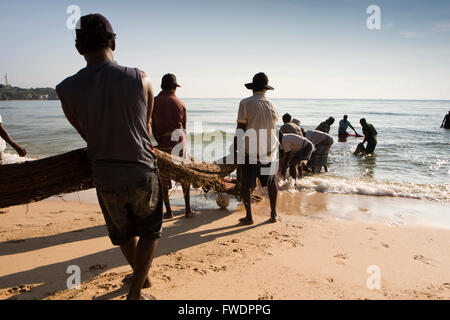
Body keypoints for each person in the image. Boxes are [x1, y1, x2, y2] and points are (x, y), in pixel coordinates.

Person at [56, 14, 163, 300]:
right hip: (142, 171)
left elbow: (86, 133)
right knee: (150, 231)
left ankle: (143, 279)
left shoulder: (64, 90)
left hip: (104, 176)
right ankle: (135, 292)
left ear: (79, 49)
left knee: (123, 234)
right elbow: (146, 128)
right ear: (113, 41)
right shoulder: (141, 78)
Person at [234, 72, 279, 225]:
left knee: (247, 184)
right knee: (271, 183)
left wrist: (235, 147)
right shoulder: (272, 105)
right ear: (265, 89)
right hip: (269, 151)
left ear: (252, 88)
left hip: (251, 151)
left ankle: (249, 217)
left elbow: (241, 127)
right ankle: (273, 214)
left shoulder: (245, 103)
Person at [152, 74, 195, 219]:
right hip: (179, 143)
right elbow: (185, 128)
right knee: (184, 175)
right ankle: (188, 209)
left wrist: (159, 138)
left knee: (163, 176)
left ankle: (169, 211)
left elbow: (152, 127)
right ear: (174, 88)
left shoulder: (153, 102)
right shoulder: (180, 103)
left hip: (162, 143)